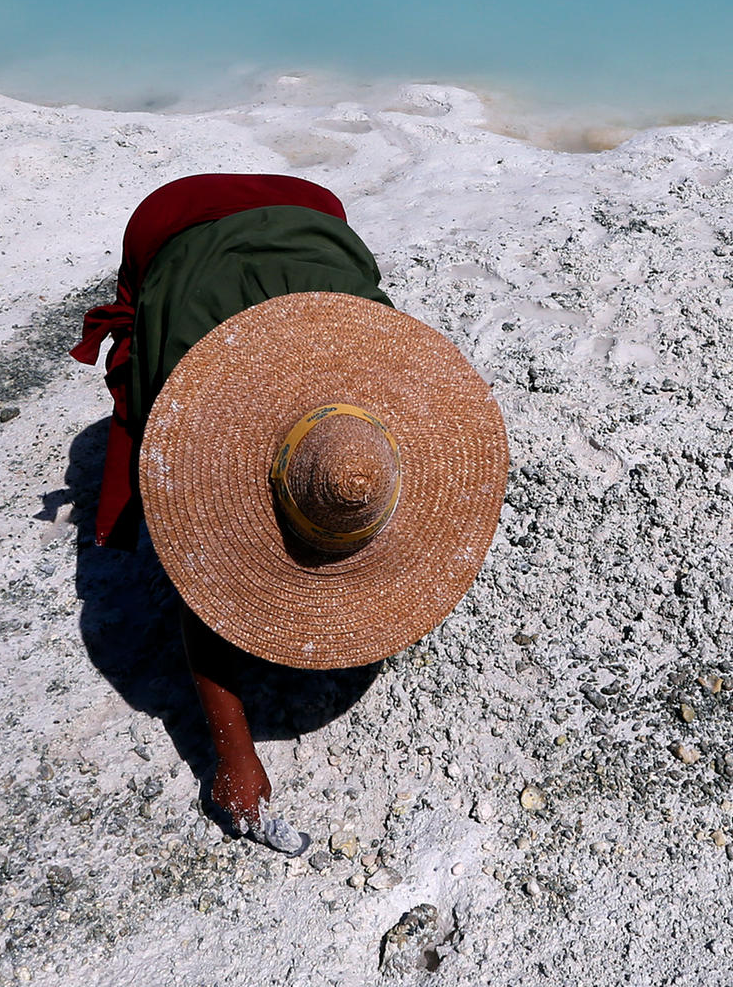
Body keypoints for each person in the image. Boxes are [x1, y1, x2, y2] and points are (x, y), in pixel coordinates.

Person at [71, 174, 509, 852]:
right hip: (171, 226)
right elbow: (199, 581)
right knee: (166, 468)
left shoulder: (381, 416)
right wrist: (233, 753)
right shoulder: (204, 420)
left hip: (317, 214)